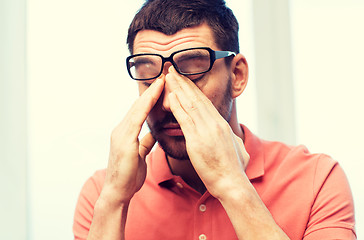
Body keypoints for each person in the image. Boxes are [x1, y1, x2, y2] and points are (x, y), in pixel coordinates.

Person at [73, 0, 356, 239]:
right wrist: (113, 203)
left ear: (237, 75)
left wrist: (232, 185)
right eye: (149, 74)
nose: (169, 102)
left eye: (193, 72)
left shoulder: (317, 180)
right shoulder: (102, 194)